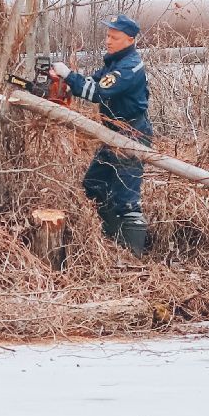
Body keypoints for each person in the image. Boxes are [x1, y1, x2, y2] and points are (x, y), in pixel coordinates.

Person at [51, 14, 151, 253]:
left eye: (114, 37)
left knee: (126, 198)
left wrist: (67, 74)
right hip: (113, 131)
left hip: (131, 133)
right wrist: (65, 83)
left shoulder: (128, 67)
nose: (108, 41)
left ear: (129, 39)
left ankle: (132, 256)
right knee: (93, 185)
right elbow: (91, 81)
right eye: (107, 36)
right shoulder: (114, 62)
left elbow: (97, 93)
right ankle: (108, 240)